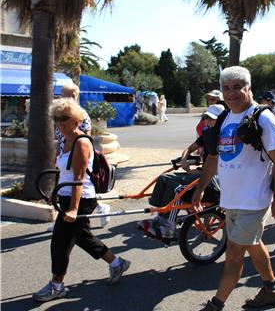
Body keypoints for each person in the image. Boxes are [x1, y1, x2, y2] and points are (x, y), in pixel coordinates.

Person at [192, 66, 275, 311]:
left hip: (253, 201)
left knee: (233, 255)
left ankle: (216, 304)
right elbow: (214, 157)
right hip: (232, 200)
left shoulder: (263, 118)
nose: (231, 93)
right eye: (226, 88)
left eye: (237, 87)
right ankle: (271, 289)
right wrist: (200, 187)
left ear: (249, 88)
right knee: (254, 245)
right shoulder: (225, 118)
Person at [33, 98, 130, 302]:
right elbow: (61, 172)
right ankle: (116, 263)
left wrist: (74, 209)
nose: (60, 123)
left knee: (60, 243)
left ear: (76, 120)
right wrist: (54, 194)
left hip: (81, 198)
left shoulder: (81, 142)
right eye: (57, 118)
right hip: (66, 196)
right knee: (83, 237)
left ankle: (57, 285)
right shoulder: (65, 141)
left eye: (65, 118)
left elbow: (78, 179)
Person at [139, 104, 225, 242]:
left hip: (215, 180)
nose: (208, 121)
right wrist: (185, 159)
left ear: (221, 120)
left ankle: (168, 227)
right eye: (206, 118)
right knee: (164, 178)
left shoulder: (224, 137)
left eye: (212, 119)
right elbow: (189, 148)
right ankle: (160, 218)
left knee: (179, 189)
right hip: (202, 173)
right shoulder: (207, 134)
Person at [52, 83, 110, 230]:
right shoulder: (60, 113)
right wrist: (59, 156)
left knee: (78, 182)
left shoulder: (80, 115)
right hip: (65, 155)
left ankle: (97, 207)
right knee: (82, 236)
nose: (68, 97)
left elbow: (85, 140)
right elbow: (60, 140)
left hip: (77, 155)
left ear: (76, 95)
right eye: (65, 94)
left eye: (72, 95)